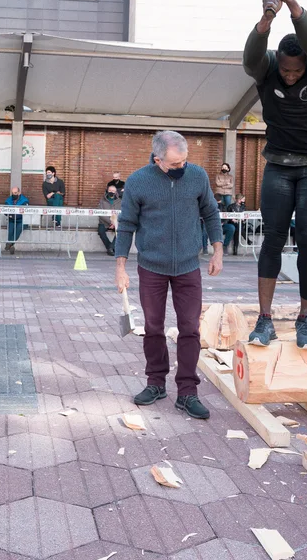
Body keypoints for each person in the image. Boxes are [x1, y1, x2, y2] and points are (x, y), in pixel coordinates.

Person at [241, 0, 307, 351]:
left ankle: (306, 318)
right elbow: (250, 58)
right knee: (273, 239)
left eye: (297, 71)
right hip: (279, 164)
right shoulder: (267, 68)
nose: (292, 76)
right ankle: (264, 319)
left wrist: (293, 4)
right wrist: (266, 19)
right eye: (286, 70)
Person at [115, 131, 222, 420]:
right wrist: (120, 268)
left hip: (188, 267)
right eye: (175, 164)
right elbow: (126, 225)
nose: (181, 167)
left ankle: (187, 392)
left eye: (184, 161)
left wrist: (218, 251)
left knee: (190, 329)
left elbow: (211, 213)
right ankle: (156, 383)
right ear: (157, 159)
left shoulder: (197, 176)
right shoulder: (138, 181)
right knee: (153, 327)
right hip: (151, 267)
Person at [97, 183, 121, 255]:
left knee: (120, 231)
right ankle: (110, 247)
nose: (111, 192)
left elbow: (121, 213)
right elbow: (100, 213)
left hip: (116, 222)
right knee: (101, 232)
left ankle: (111, 247)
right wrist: (110, 222)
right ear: (107, 191)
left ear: (116, 192)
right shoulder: (102, 200)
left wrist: (115, 223)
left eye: (113, 191)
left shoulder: (120, 201)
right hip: (104, 222)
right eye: (110, 190)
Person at [5, 186, 29, 254]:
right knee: (10, 232)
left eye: (15, 193)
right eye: (12, 193)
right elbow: (5, 210)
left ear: (19, 193)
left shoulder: (24, 200)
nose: (14, 194)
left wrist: (15, 215)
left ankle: (9, 244)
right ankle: (11, 245)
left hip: (21, 220)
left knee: (17, 231)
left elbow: (25, 211)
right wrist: (9, 215)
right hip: (11, 219)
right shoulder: (8, 200)